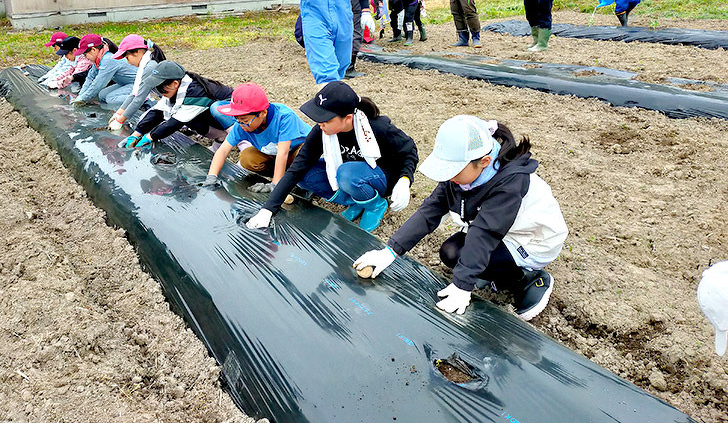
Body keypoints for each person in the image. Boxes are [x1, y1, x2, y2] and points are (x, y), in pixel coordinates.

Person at [353, 115, 568, 321]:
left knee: (471, 260)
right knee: (451, 253)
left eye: (454, 171)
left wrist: (463, 285)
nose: (449, 177)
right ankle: (490, 269)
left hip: (531, 239)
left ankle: (528, 280)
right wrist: (390, 251)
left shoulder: (509, 183)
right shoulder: (463, 174)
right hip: (499, 228)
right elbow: (430, 211)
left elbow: (485, 233)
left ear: (484, 161)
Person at [246, 81, 418, 233]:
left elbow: (409, 150)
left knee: (346, 173)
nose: (320, 125)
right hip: (351, 176)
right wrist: (268, 210)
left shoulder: (376, 127)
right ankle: (356, 202)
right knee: (305, 175)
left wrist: (404, 180)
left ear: (347, 118)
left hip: (380, 176)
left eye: (326, 120)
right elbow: (298, 166)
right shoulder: (322, 131)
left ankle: (375, 205)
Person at [203, 83, 312, 193]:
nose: (241, 124)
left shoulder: (284, 118)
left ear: (263, 113)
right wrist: (211, 177)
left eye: (245, 121)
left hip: (296, 150)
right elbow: (223, 150)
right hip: (274, 152)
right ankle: (284, 175)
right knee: (247, 158)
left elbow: (283, 153)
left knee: (305, 155)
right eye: (237, 119)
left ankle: (301, 182)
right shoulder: (241, 125)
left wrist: (275, 185)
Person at [122, 61, 234, 149]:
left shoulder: (195, 93)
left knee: (189, 119)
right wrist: (137, 133)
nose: (160, 93)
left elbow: (175, 122)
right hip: (213, 116)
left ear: (175, 83)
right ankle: (220, 138)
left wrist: (149, 137)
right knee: (190, 120)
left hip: (235, 117)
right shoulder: (178, 89)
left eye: (161, 88)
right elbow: (158, 111)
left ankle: (225, 137)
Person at [107, 34, 167, 131]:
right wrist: (118, 113)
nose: (128, 62)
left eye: (127, 58)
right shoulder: (146, 64)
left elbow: (139, 98)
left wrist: (120, 121)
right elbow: (134, 93)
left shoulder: (149, 67)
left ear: (137, 52)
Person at [70, 34, 137, 108]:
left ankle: (143, 98)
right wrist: (80, 96)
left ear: (93, 50)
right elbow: (90, 77)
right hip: (125, 83)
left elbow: (99, 84)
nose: (86, 57)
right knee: (102, 95)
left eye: (85, 54)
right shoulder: (99, 59)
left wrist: (83, 99)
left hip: (137, 83)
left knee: (110, 99)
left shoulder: (108, 59)